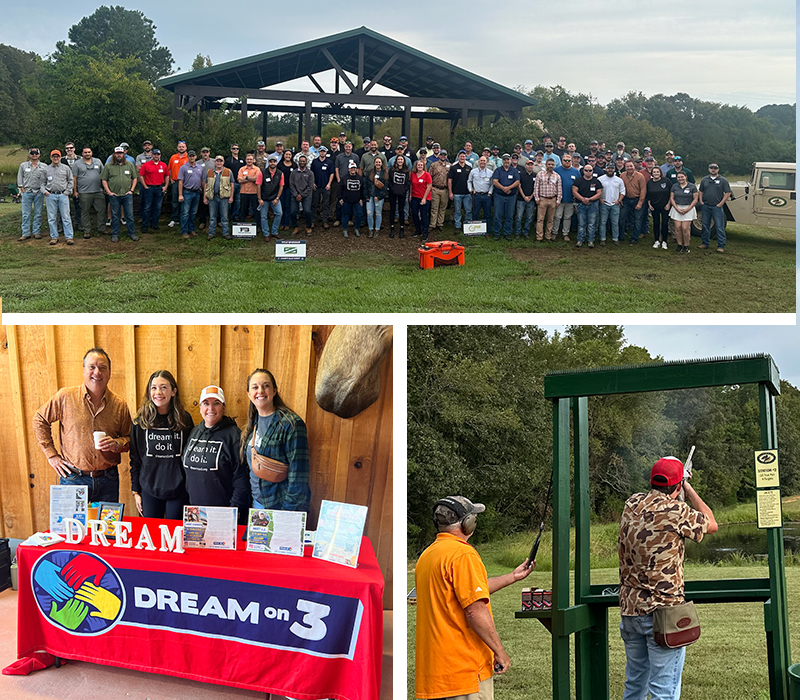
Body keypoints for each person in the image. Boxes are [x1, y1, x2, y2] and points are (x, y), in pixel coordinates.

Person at [415, 496, 533, 700]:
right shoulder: (463, 555)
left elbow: (466, 592)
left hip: (436, 675)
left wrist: (512, 577)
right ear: (466, 523)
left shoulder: (428, 556)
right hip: (464, 673)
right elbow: (474, 609)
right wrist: (499, 651)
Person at [619, 457, 717, 700]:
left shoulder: (632, 503)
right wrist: (688, 487)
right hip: (663, 614)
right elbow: (711, 522)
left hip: (630, 610)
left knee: (635, 686)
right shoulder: (676, 510)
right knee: (664, 691)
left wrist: (679, 486)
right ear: (677, 486)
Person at [33, 348, 131, 503]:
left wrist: (116, 444)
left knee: (106, 527)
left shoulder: (119, 405)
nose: (97, 372)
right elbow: (40, 419)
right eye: (92, 367)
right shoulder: (65, 397)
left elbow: (129, 439)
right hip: (73, 479)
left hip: (108, 480)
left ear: (109, 373)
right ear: (84, 371)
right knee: (71, 527)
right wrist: (51, 455)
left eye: (102, 368)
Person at [240, 369, 311, 512]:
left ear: (274, 391)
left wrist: (286, 515)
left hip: (280, 507)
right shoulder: (253, 424)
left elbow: (299, 476)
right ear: (249, 394)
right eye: (255, 387)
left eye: (265, 386)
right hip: (256, 505)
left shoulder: (291, 424)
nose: (260, 391)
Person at [130, 370, 193, 519]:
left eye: (163, 387)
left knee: (175, 536)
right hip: (149, 489)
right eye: (154, 388)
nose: (158, 392)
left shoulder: (185, 419)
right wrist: (136, 492)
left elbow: (189, 456)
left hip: (178, 490)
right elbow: (135, 459)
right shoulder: (140, 422)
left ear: (173, 392)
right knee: (151, 538)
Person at [182, 385, 249, 518]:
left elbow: (241, 478)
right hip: (194, 512)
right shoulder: (194, 432)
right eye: (206, 403)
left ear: (223, 407)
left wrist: (233, 510)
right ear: (200, 407)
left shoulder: (234, 436)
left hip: (223, 512)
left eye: (216, 403)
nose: (211, 409)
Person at [101, 146, 139, 243]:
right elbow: (104, 179)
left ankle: (132, 233)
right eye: (117, 153)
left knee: (129, 215)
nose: (119, 155)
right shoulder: (108, 166)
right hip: (114, 195)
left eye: (121, 153)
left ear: (124, 154)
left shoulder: (130, 165)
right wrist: (109, 192)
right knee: (115, 215)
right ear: (114, 154)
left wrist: (132, 190)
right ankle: (115, 234)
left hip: (127, 194)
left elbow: (135, 178)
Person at [71, 146, 105, 239]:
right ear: (82, 154)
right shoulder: (77, 164)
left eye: (89, 152)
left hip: (98, 190)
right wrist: (75, 191)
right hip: (84, 192)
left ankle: (101, 228)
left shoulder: (98, 161)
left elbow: (104, 174)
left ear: (91, 153)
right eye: (85, 152)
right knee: (85, 211)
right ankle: (87, 230)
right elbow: (74, 178)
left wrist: (105, 188)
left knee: (101, 210)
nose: (87, 154)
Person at [43, 150, 75, 246]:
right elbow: (42, 182)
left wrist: (67, 192)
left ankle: (69, 237)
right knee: (51, 217)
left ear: (60, 157)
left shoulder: (66, 168)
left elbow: (70, 181)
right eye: (54, 156)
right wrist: (45, 191)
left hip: (63, 195)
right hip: (50, 195)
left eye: (57, 156)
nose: (55, 158)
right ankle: (54, 237)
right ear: (51, 157)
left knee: (66, 217)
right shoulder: (46, 169)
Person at [698, 163, 731, 253]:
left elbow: (728, 193)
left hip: (717, 207)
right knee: (705, 225)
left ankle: (721, 246)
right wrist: (701, 201)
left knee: (719, 226)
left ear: (718, 170)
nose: (713, 170)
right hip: (706, 206)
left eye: (715, 168)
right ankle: (705, 243)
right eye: (711, 168)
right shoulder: (704, 180)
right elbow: (700, 191)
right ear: (709, 169)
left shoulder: (723, 180)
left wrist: (720, 204)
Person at [17, 147, 47, 242]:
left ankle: (36, 232)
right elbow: (19, 177)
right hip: (27, 192)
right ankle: (25, 233)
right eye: (32, 153)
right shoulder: (23, 165)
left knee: (38, 213)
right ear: (29, 154)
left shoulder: (44, 166)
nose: (34, 155)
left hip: (39, 192)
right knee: (26, 214)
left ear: (39, 154)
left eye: (36, 153)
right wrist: (21, 187)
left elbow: (47, 179)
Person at [138, 148, 170, 234]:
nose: (156, 156)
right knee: (147, 207)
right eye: (155, 154)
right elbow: (140, 175)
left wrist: (166, 186)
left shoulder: (163, 165)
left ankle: (154, 224)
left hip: (159, 188)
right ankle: (145, 225)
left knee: (158, 208)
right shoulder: (146, 165)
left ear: (160, 155)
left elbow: (167, 176)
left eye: (158, 154)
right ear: (152, 155)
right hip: (149, 188)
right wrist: (145, 186)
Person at [204, 155, 234, 239]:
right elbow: (205, 184)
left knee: (224, 217)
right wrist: (205, 197)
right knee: (212, 217)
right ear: (215, 162)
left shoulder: (228, 171)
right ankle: (211, 233)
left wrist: (231, 197)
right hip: (212, 197)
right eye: (217, 161)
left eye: (220, 161)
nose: (219, 163)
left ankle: (226, 233)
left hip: (224, 197)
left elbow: (232, 184)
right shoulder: (209, 172)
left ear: (223, 162)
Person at [572, 164, 603, 248]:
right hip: (580, 204)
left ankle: (590, 241)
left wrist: (589, 199)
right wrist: (583, 199)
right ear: (583, 171)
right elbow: (574, 191)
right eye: (586, 170)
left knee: (592, 224)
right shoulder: (578, 181)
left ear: (592, 171)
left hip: (593, 204)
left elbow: (599, 193)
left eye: (590, 170)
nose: (588, 172)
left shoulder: (596, 182)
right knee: (581, 223)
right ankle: (580, 240)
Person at [492, 153, 520, 241]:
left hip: (511, 197)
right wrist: (503, 188)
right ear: (502, 161)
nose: (506, 161)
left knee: (509, 215)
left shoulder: (514, 171)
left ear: (510, 160)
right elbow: (495, 182)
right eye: (504, 160)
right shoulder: (498, 170)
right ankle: (497, 233)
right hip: (499, 196)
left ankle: (507, 233)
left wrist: (508, 188)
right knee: (497, 215)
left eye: (508, 159)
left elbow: (517, 182)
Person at [552, 154, 580, 241]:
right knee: (557, 216)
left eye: (568, 161)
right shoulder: (556, 170)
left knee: (567, 217)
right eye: (565, 160)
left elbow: (579, 184)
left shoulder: (576, 172)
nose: (567, 162)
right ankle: (554, 232)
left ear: (571, 161)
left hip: (570, 199)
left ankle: (565, 233)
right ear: (561, 161)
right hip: (559, 199)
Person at [669, 171, 699, 253]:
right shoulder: (674, 186)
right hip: (677, 208)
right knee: (677, 228)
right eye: (678, 177)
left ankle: (686, 245)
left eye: (682, 177)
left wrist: (688, 209)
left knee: (685, 228)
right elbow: (672, 198)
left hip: (688, 208)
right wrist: (677, 208)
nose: (680, 179)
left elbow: (695, 199)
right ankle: (679, 245)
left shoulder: (692, 186)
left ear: (685, 177)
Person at [177, 150, 204, 240]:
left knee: (193, 213)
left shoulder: (200, 167)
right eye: (190, 156)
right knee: (185, 213)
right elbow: (180, 182)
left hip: (197, 192)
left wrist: (203, 190)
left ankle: (191, 229)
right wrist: (180, 195)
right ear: (188, 157)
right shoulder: (183, 168)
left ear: (196, 157)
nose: (192, 157)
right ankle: (184, 231)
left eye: (193, 156)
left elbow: (202, 180)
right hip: (187, 192)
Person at [534, 158, 562, 242]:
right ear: (546, 165)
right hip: (542, 199)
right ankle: (539, 237)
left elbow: (559, 189)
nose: (550, 166)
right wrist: (537, 198)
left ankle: (548, 236)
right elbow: (536, 187)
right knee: (540, 219)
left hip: (552, 199)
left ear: (554, 166)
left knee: (550, 220)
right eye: (549, 164)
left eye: (552, 164)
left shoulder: (557, 176)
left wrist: (558, 200)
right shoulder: (540, 174)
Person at [619, 160, 647, 244]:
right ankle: (621, 236)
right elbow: (620, 188)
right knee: (621, 218)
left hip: (637, 199)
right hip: (626, 200)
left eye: (631, 166)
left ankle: (634, 238)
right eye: (627, 166)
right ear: (625, 167)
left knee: (637, 220)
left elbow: (643, 190)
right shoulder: (622, 175)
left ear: (634, 166)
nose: (629, 168)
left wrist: (640, 202)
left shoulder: (640, 176)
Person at [598, 162, 626, 245]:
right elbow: (597, 191)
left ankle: (615, 238)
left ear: (614, 169)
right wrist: (600, 199)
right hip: (604, 203)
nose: (610, 170)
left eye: (612, 168)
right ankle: (602, 238)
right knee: (603, 222)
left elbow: (623, 191)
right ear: (605, 169)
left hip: (615, 204)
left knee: (615, 223)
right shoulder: (600, 179)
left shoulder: (619, 180)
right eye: (608, 168)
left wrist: (619, 200)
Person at [259, 154, 284, 240]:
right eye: (270, 161)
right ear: (268, 162)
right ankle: (266, 234)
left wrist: (277, 198)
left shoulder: (280, 173)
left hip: (274, 198)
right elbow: (258, 186)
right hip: (264, 198)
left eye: (274, 161)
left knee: (279, 213)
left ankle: (274, 232)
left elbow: (281, 187)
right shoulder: (262, 172)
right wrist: (259, 199)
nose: (272, 163)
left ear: (276, 163)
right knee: (263, 216)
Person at [646, 166, 672, 250]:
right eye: (654, 172)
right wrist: (649, 204)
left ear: (661, 173)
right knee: (656, 223)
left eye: (657, 172)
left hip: (665, 206)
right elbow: (648, 195)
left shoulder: (666, 181)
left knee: (664, 223)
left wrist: (668, 204)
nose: (656, 173)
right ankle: (656, 240)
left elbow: (671, 193)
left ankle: (664, 241)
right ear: (652, 173)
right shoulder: (649, 182)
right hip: (654, 206)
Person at [468, 155, 494, 235]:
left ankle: (487, 232)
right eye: (481, 161)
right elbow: (469, 181)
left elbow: (492, 184)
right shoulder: (473, 171)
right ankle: (474, 232)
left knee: (487, 214)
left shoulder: (490, 172)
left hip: (487, 196)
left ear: (486, 162)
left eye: (484, 161)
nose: (482, 162)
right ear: (478, 162)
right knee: (475, 213)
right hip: (477, 195)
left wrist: (490, 193)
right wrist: (471, 190)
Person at [238, 152, 263, 231]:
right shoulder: (242, 169)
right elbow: (239, 180)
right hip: (244, 192)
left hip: (254, 192)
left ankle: (258, 226)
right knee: (243, 210)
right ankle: (241, 225)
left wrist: (246, 177)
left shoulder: (257, 169)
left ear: (254, 160)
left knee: (256, 211)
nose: (249, 161)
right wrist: (251, 178)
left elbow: (257, 179)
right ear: (245, 160)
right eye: (248, 159)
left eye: (251, 159)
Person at [448, 150, 472, 232]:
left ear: (466, 157)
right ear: (458, 157)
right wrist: (450, 192)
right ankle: (457, 226)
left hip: (467, 193)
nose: (462, 158)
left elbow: (472, 180)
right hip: (457, 193)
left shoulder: (469, 168)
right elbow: (450, 180)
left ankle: (468, 226)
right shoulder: (454, 168)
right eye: (461, 156)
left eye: (464, 156)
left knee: (468, 210)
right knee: (457, 211)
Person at [310, 146, 334, 229]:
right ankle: (313, 221)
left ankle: (325, 221)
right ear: (319, 152)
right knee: (314, 204)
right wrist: (312, 183)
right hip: (316, 186)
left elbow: (332, 173)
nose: (322, 153)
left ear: (326, 152)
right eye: (321, 151)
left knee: (325, 204)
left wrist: (329, 184)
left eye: (324, 151)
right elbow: (311, 173)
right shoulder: (314, 162)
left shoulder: (329, 162)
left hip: (325, 186)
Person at [290, 154, 314, 234]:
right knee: (293, 212)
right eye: (301, 161)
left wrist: (302, 195)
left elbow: (310, 187)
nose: (302, 162)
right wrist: (296, 194)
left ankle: (308, 227)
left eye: (304, 161)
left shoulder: (310, 173)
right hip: (295, 195)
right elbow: (291, 185)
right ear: (298, 162)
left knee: (307, 211)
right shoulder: (293, 173)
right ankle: (295, 227)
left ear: (306, 162)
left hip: (306, 195)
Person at [339, 160, 364, 238]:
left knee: (359, 215)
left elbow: (362, 189)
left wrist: (361, 198)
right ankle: (345, 230)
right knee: (345, 215)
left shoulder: (360, 178)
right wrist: (340, 198)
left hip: (357, 201)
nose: (353, 170)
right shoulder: (344, 178)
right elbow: (340, 188)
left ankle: (356, 229)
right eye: (351, 168)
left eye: (354, 168)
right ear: (349, 169)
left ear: (356, 169)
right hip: (346, 200)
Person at [388, 155, 411, 238]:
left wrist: (404, 190)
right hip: (393, 193)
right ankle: (392, 228)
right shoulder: (392, 170)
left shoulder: (406, 171)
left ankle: (401, 228)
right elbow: (390, 181)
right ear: (396, 161)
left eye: (401, 159)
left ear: (403, 161)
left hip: (402, 193)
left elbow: (408, 183)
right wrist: (393, 189)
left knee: (401, 210)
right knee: (392, 210)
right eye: (398, 159)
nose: (400, 161)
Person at [167, 140, 188, 228]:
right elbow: (169, 169)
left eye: (183, 146)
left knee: (185, 201)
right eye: (180, 146)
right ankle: (174, 219)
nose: (181, 148)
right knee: (175, 201)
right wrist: (171, 178)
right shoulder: (173, 157)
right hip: (175, 182)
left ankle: (183, 218)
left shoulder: (188, 158)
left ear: (186, 148)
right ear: (177, 147)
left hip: (186, 183)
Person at [410, 158, 433, 241]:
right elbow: (411, 185)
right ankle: (418, 230)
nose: (419, 166)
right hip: (414, 197)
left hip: (424, 198)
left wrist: (424, 198)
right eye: (418, 165)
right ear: (416, 166)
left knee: (424, 216)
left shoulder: (427, 175)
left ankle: (425, 233)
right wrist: (410, 195)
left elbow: (429, 187)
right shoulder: (413, 174)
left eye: (421, 165)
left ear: (424, 166)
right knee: (414, 214)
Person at [365, 155, 387, 237]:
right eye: (376, 162)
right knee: (369, 213)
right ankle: (370, 229)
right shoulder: (370, 172)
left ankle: (377, 229)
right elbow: (366, 185)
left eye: (379, 162)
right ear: (374, 163)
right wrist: (367, 196)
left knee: (378, 213)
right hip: (370, 196)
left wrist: (378, 196)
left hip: (379, 198)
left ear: (381, 163)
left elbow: (385, 187)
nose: (378, 163)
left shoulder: (385, 173)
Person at [428, 149, 450, 231]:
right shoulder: (433, 165)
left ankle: (440, 223)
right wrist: (431, 187)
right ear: (439, 155)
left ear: (446, 156)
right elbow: (429, 176)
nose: (443, 156)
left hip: (445, 189)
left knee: (442, 207)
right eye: (441, 155)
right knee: (434, 207)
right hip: (435, 188)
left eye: (444, 155)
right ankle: (432, 224)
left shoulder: (449, 165)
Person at [515, 157, 537, 238]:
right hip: (521, 199)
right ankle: (517, 232)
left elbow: (536, 187)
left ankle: (526, 232)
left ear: (533, 166)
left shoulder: (535, 175)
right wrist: (524, 196)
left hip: (531, 199)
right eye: (528, 164)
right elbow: (518, 186)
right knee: (519, 217)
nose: (530, 166)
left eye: (531, 165)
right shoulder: (521, 174)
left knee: (529, 217)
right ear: (525, 165)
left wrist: (531, 196)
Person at [225, 144, 245, 222]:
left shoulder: (242, 160)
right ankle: (228, 215)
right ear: (231, 150)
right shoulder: (228, 160)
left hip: (240, 183)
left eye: (237, 148)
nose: (235, 150)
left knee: (238, 201)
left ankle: (235, 215)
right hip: (230, 183)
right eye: (234, 148)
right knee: (229, 200)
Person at [277, 149, 295, 230]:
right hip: (281, 187)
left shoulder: (294, 165)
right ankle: (281, 223)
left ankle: (287, 223)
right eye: (286, 154)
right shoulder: (280, 165)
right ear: (283, 155)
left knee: (288, 205)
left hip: (290, 187)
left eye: (289, 155)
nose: (288, 156)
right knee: (281, 205)